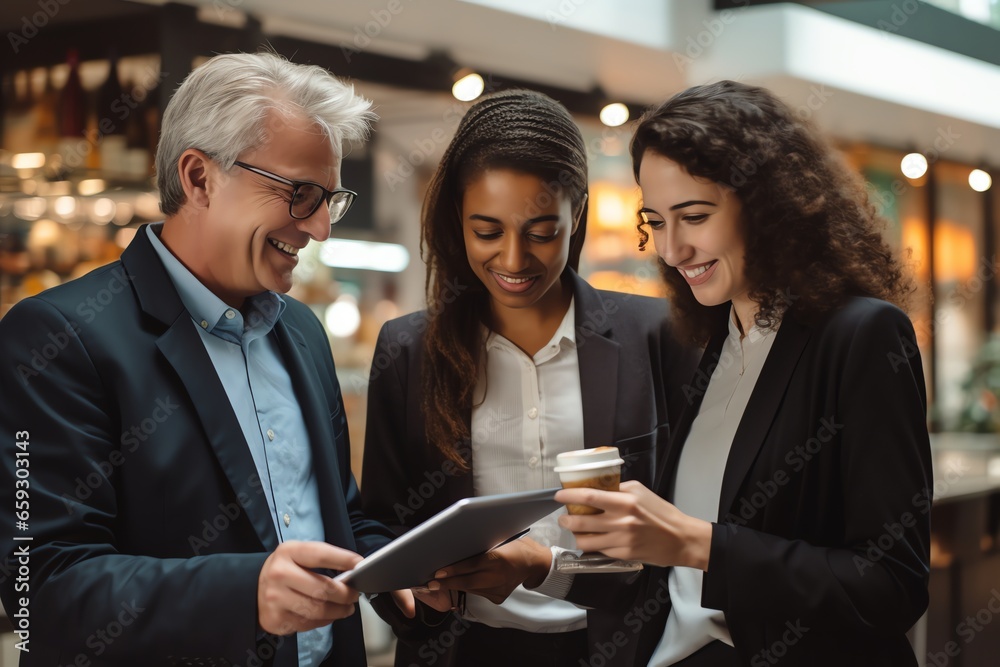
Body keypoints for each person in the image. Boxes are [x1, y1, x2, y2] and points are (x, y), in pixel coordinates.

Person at [0, 52, 410, 666]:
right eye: (301, 193)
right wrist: (245, 595)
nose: (322, 227)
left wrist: (406, 569)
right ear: (198, 179)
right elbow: (42, 587)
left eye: (330, 198)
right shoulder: (57, 338)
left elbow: (337, 513)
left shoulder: (301, 330)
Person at [553, 80, 933, 666]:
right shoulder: (708, 342)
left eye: (695, 216)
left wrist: (696, 542)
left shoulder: (861, 336)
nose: (673, 250)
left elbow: (890, 585)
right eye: (655, 221)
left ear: (767, 204)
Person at [360, 89, 696, 666]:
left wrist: (545, 567)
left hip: (618, 647)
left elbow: (681, 527)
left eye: (542, 232)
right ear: (456, 221)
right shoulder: (408, 349)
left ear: (578, 215)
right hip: (460, 650)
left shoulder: (657, 335)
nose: (514, 261)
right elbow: (379, 525)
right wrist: (414, 592)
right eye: (486, 232)